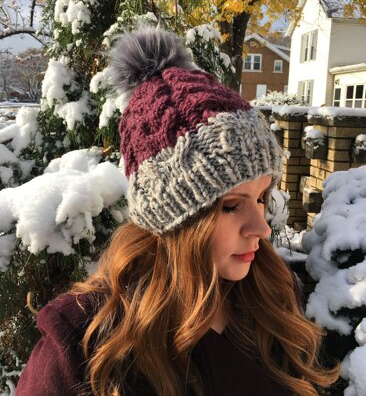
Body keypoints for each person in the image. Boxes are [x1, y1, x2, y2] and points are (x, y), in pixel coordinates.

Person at [16, 27, 339, 396]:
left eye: (262, 198)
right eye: (231, 205)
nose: (261, 229)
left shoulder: (271, 297)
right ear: (170, 218)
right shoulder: (84, 344)